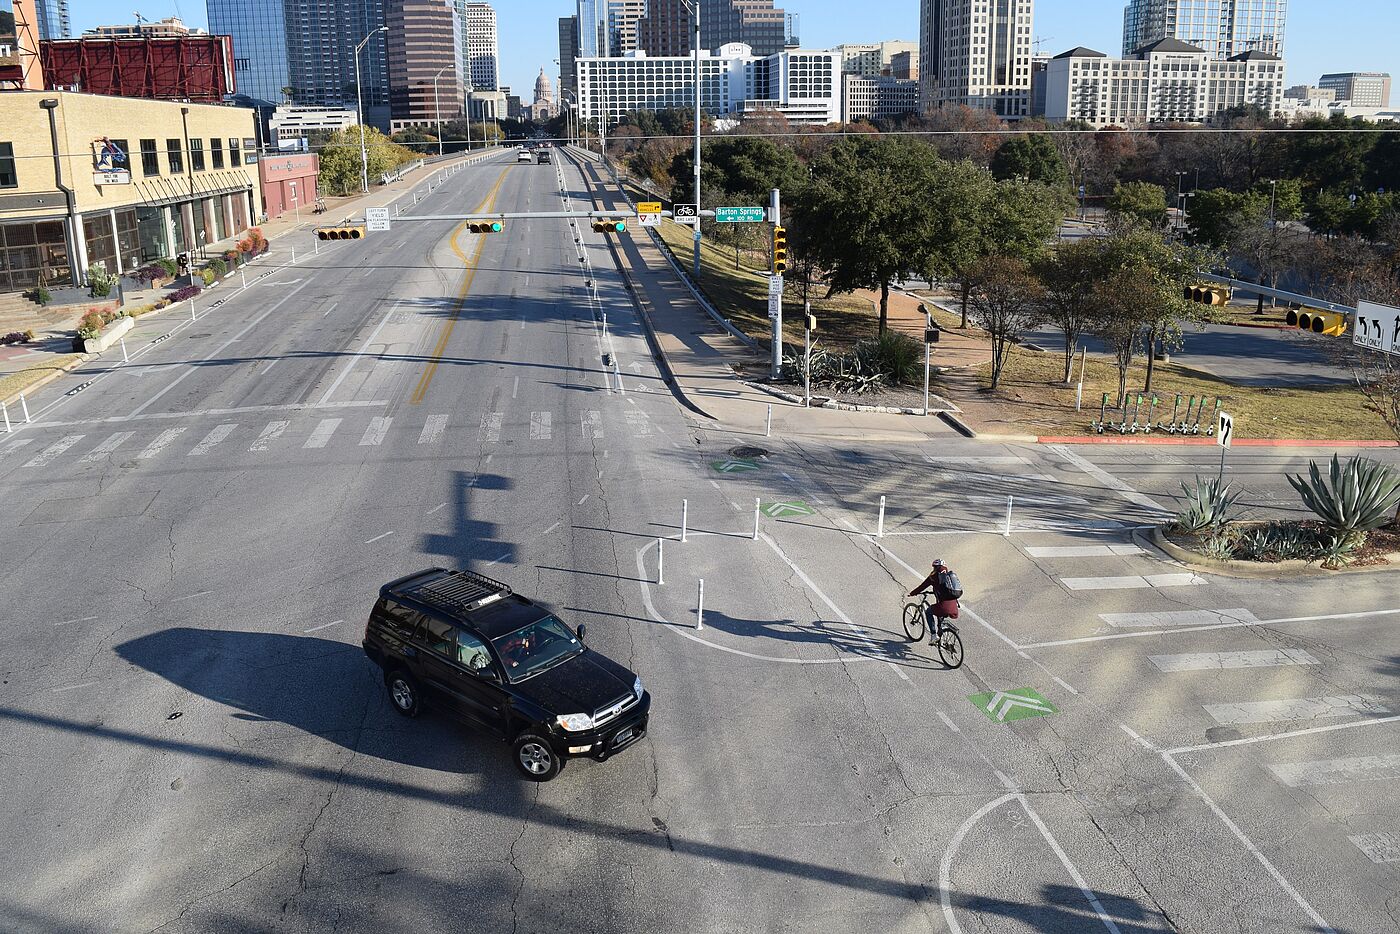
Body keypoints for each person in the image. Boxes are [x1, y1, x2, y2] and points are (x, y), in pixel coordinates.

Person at [909, 559, 961, 638]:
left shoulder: (933, 576)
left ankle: (933, 635)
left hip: (944, 607)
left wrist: (912, 593)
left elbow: (922, 586)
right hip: (954, 606)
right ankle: (942, 633)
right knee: (939, 613)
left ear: (935, 567)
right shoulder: (949, 576)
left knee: (928, 612)